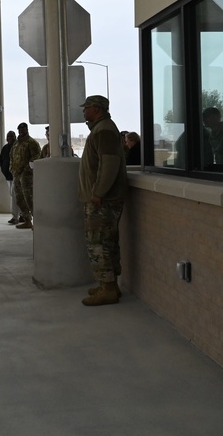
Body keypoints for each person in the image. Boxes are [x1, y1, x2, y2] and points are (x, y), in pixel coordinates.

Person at [78, 95, 128, 307]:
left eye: (87, 108)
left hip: (103, 201)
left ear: (96, 109)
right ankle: (109, 285)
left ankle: (107, 288)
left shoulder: (104, 129)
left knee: (99, 243)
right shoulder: (101, 128)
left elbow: (109, 164)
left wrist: (98, 192)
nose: (84, 111)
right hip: (102, 199)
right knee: (105, 242)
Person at [9, 122, 41, 230]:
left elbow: (36, 157)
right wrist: (12, 169)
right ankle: (27, 221)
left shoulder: (31, 143)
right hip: (16, 174)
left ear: (27, 129)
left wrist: (26, 169)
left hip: (26, 176)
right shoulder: (16, 143)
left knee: (30, 199)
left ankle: (37, 221)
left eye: (23, 129)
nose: (21, 131)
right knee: (19, 199)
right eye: (20, 129)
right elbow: (12, 157)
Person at [202, 106, 223, 172]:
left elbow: (220, 150)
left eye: (206, 117)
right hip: (221, 167)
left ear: (215, 118)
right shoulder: (213, 133)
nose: (204, 120)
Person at [0, 130, 19, 224]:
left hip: (17, 176)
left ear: (15, 137)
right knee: (12, 195)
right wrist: (4, 170)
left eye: (12, 136)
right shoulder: (5, 148)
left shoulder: (18, 147)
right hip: (8, 176)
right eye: (8, 137)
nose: (10, 139)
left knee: (16, 197)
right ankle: (19, 215)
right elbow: (1, 159)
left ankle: (16, 216)